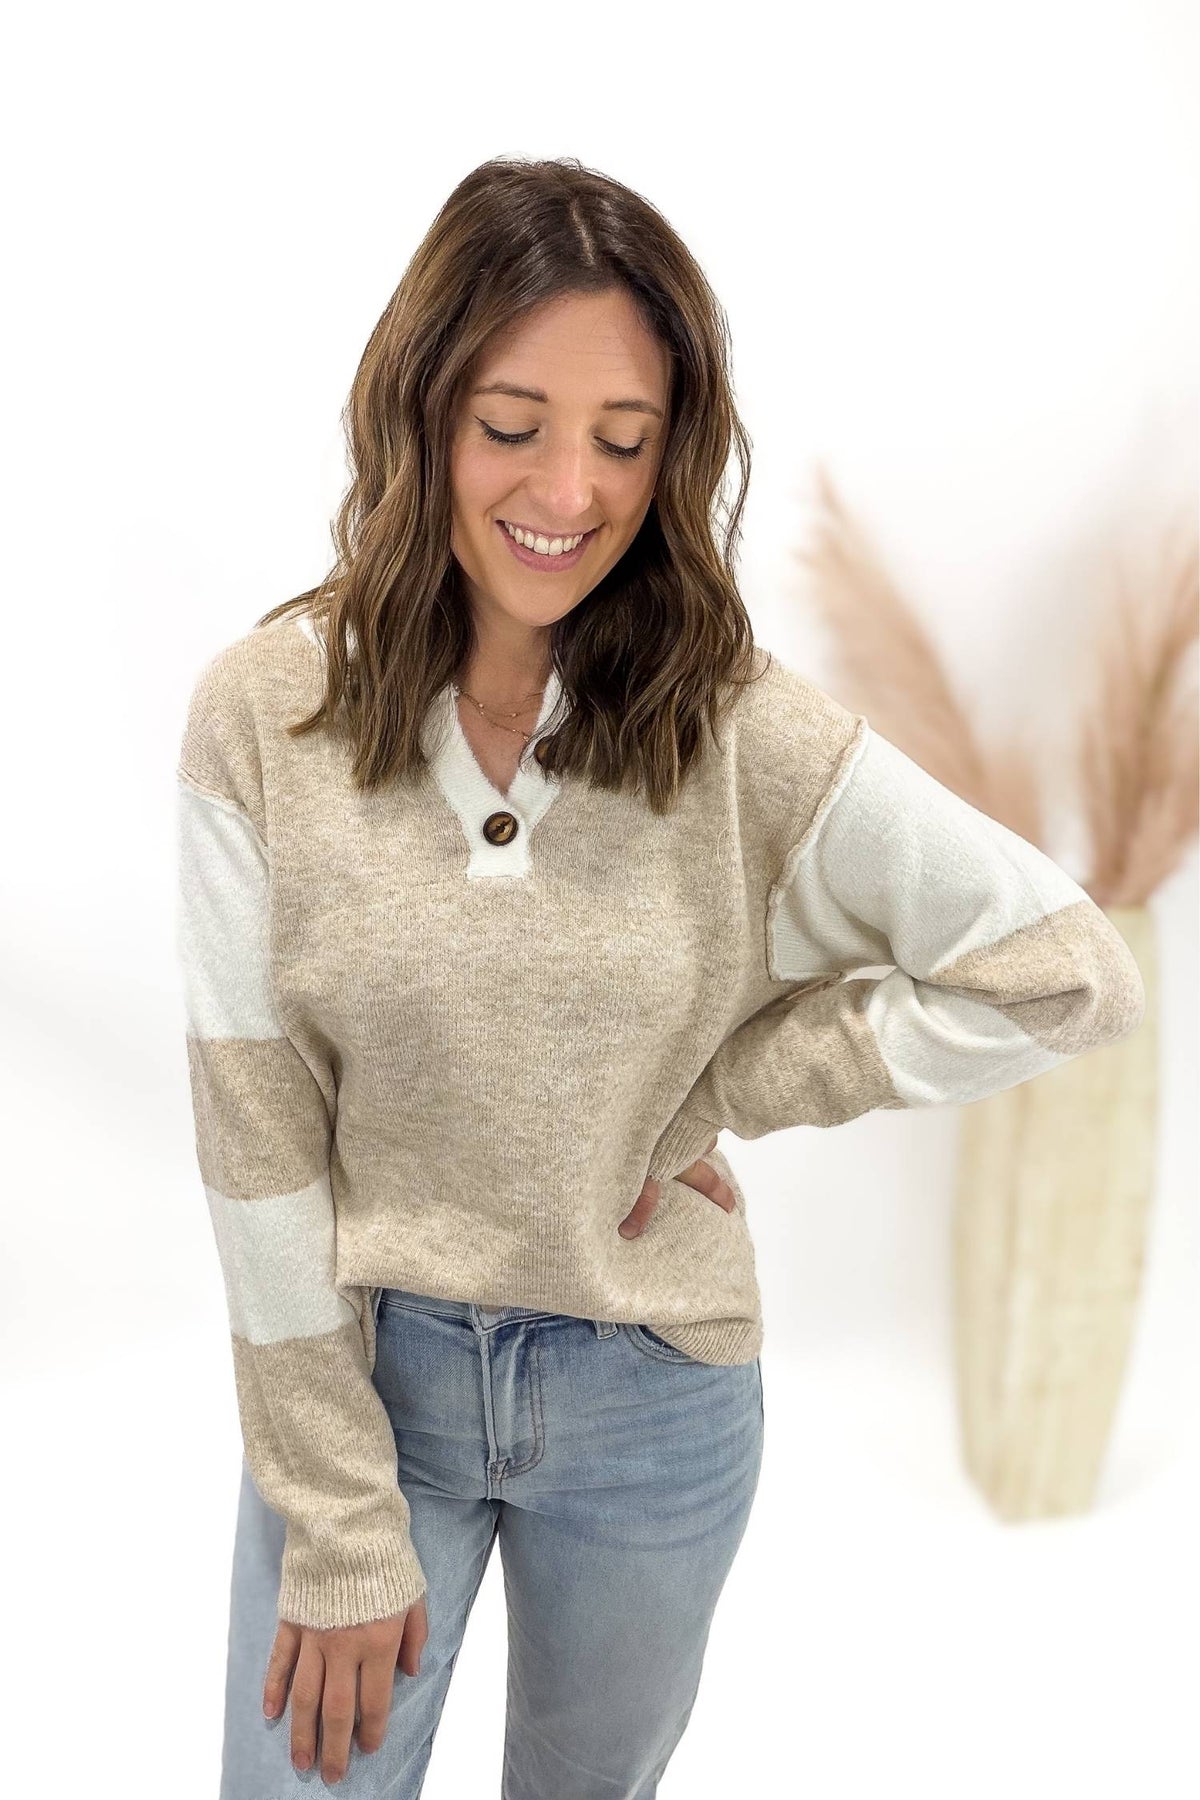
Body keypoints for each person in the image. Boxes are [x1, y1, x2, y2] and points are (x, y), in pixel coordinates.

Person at [174, 156, 1146, 1798]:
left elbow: (1063, 967)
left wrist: (738, 1083)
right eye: (513, 422)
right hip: (366, 1387)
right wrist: (337, 1519)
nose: (571, 486)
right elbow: (255, 1133)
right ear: (416, 411)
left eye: (625, 440)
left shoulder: (735, 725)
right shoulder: (264, 719)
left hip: (652, 1397)